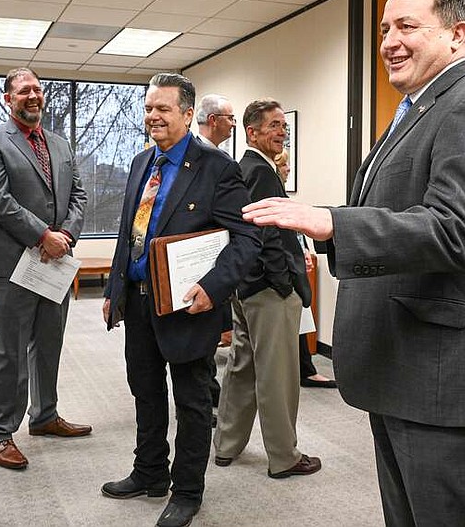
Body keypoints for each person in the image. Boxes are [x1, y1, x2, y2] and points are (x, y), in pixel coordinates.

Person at [242, 0, 465, 526]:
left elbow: (457, 230)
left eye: (407, 26)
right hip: (409, 375)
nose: (388, 41)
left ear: (458, 35)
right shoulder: (418, 109)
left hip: (454, 386)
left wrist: (333, 223)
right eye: (384, 29)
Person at [101, 73, 261, 527]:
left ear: (188, 115)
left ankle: (186, 491)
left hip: (189, 306)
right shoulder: (139, 164)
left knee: (191, 402)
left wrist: (213, 289)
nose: (153, 116)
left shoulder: (216, 168)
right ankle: (148, 471)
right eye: (149, 108)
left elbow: (247, 239)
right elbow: (129, 235)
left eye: (163, 109)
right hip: (138, 303)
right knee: (146, 393)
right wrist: (115, 289)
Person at [0, 67, 90, 471]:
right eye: (24, 91)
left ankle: (44, 416)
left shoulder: (59, 143)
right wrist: (44, 235)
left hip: (54, 261)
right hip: (9, 264)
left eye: (38, 89)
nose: (33, 96)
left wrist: (67, 235)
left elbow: (78, 193)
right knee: (9, 352)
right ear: (8, 99)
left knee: (49, 342)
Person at [213, 99, 319, 479]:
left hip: (247, 287)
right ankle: (284, 456)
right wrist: (282, 280)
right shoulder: (259, 170)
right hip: (268, 291)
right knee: (277, 375)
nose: (281, 132)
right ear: (252, 132)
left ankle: (226, 445)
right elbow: (267, 233)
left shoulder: (248, 168)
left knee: (242, 367)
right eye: (273, 126)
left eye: (283, 127)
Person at [273, 151, 336, 389]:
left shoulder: (285, 195)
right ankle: (305, 370)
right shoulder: (269, 187)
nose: (289, 168)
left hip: (296, 263)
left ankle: (306, 369)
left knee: (302, 318)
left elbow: (297, 229)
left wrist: (306, 251)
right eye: (285, 164)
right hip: (284, 269)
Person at [194, 93, 238, 420]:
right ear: (214, 121)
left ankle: (206, 393)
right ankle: (202, 396)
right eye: (230, 118)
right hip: (194, 263)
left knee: (206, 340)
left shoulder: (221, 160)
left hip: (214, 263)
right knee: (198, 342)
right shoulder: (198, 158)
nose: (234, 124)